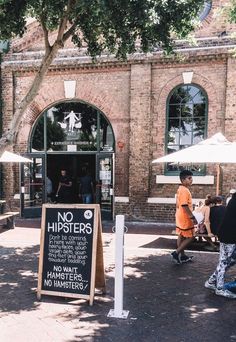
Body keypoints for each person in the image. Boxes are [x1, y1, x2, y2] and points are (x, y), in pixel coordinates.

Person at [205, 192, 236, 298]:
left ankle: (211, 281)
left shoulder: (233, 200)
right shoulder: (234, 201)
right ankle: (220, 289)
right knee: (224, 262)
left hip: (227, 234)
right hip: (229, 236)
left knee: (231, 260)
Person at [171, 169, 197, 264]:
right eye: (189, 178)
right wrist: (192, 217)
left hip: (179, 215)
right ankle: (176, 253)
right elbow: (184, 205)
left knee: (181, 235)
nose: (191, 180)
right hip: (185, 217)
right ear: (183, 180)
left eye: (191, 178)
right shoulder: (184, 190)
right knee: (192, 237)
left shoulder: (180, 189)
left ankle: (182, 256)